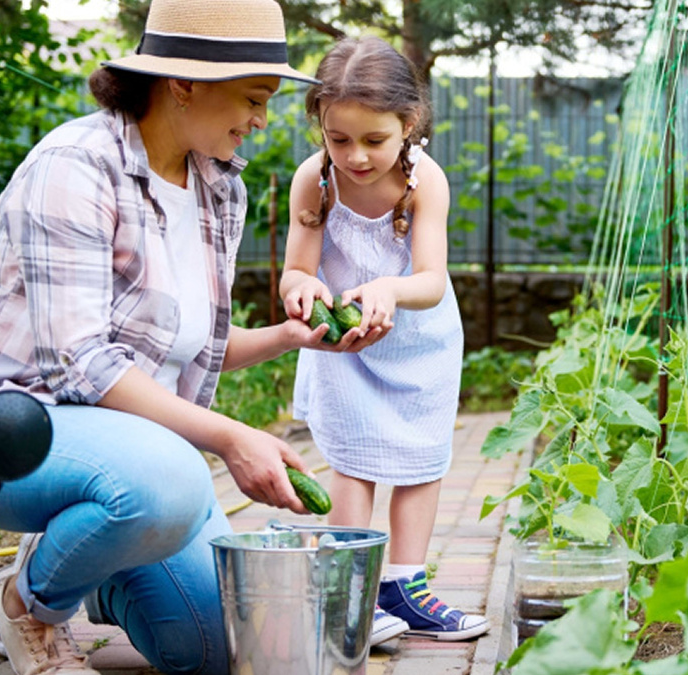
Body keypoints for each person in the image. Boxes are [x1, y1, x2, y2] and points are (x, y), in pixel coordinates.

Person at [0, 1, 349, 673]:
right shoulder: (74, 167)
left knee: (215, 647)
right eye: (255, 98)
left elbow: (189, 347)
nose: (262, 120)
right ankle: (28, 605)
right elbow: (84, 367)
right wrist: (231, 436)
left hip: (131, 452)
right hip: (2, 435)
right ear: (185, 82)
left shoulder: (217, 187)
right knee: (170, 477)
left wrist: (292, 336)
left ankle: (96, 556)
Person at [280, 36, 490, 644]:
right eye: (338, 139)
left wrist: (388, 291)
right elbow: (298, 268)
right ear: (320, 124)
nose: (356, 157)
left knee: (420, 461)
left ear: (409, 124)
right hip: (346, 347)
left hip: (419, 343)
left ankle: (405, 585)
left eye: (374, 141)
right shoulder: (312, 181)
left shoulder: (425, 182)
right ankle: (352, 594)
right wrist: (301, 291)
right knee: (353, 461)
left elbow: (429, 280)